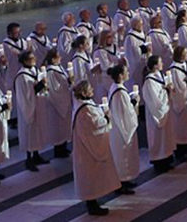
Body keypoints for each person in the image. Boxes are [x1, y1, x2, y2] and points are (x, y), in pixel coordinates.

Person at [72, 80, 121, 216]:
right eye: (90, 88)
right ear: (83, 93)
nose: (92, 89)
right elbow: (94, 125)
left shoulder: (82, 105)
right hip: (88, 148)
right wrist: (106, 117)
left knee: (91, 175)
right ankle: (92, 204)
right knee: (90, 175)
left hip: (85, 146)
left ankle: (93, 202)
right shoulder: (85, 109)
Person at [106, 64, 140, 195]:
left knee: (124, 156)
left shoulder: (116, 88)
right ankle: (121, 184)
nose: (128, 73)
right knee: (122, 156)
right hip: (121, 130)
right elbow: (125, 113)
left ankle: (126, 180)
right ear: (120, 75)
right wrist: (135, 102)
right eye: (126, 71)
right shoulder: (119, 92)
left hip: (118, 128)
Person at [14, 49, 49, 171]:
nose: (34, 60)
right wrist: (40, 85)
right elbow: (26, 95)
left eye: (34, 58)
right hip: (27, 109)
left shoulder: (34, 70)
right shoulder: (21, 76)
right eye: (31, 59)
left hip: (37, 106)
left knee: (36, 132)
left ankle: (37, 155)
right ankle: (29, 159)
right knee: (29, 134)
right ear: (24, 61)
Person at [141, 55, 175, 173]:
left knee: (165, 137)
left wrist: (169, 89)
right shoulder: (149, 81)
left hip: (164, 110)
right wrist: (166, 90)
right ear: (155, 65)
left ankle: (167, 158)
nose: (163, 64)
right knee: (157, 137)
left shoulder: (159, 76)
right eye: (160, 62)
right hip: (155, 113)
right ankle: (159, 162)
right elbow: (155, 100)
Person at [43, 48, 72, 159]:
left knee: (64, 127)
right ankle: (58, 149)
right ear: (53, 59)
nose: (61, 58)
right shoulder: (51, 71)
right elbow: (54, 89)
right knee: (58, 128)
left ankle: (63, 147)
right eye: (59, 56)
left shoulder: (58, 67)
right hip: (57, 104)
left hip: (64, 99)